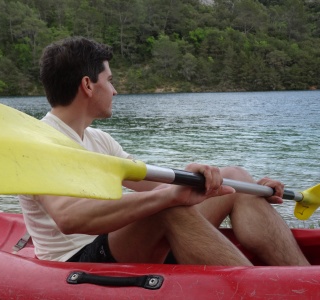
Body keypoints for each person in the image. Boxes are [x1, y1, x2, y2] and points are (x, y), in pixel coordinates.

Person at [19, 36, 309, 266]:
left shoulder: (99, 141)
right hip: (76, 261)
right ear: (87, 85)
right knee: (165, 209)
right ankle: (259, 292)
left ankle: (304, 281)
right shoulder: (41, 144)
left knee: (235, 178)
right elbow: (69, 219)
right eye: (109, 80)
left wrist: (237, 186)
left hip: (118, 244)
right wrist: (164, 198)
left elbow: (156, 182)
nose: (115, 90)